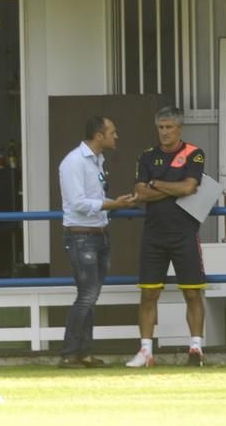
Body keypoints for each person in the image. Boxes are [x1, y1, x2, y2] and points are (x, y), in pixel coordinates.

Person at [126, 107, 206, 368]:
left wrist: (157, 184)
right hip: (154, 234)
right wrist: (172, 189)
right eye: (161, 127)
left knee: (192, 293)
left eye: (169, 127)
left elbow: (189, 187)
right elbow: (140, 193)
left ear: (179, 128)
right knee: (148, 294)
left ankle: (196, 349)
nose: (164, 132)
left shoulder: (194, 153)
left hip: (184, 232)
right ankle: (146, 352)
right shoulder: (147, 156)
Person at [57, 116, 138, 368]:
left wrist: (114, 203)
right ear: (98, 135)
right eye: (112, 132)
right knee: (87, 295)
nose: (116, 136)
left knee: (90, 295)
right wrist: (114, 204)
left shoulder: (97, 161)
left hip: (98, 234)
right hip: (82, 236)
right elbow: (78, 202)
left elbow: (92, 198)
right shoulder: (74, 162)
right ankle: (70, 353)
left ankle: (83, 352)